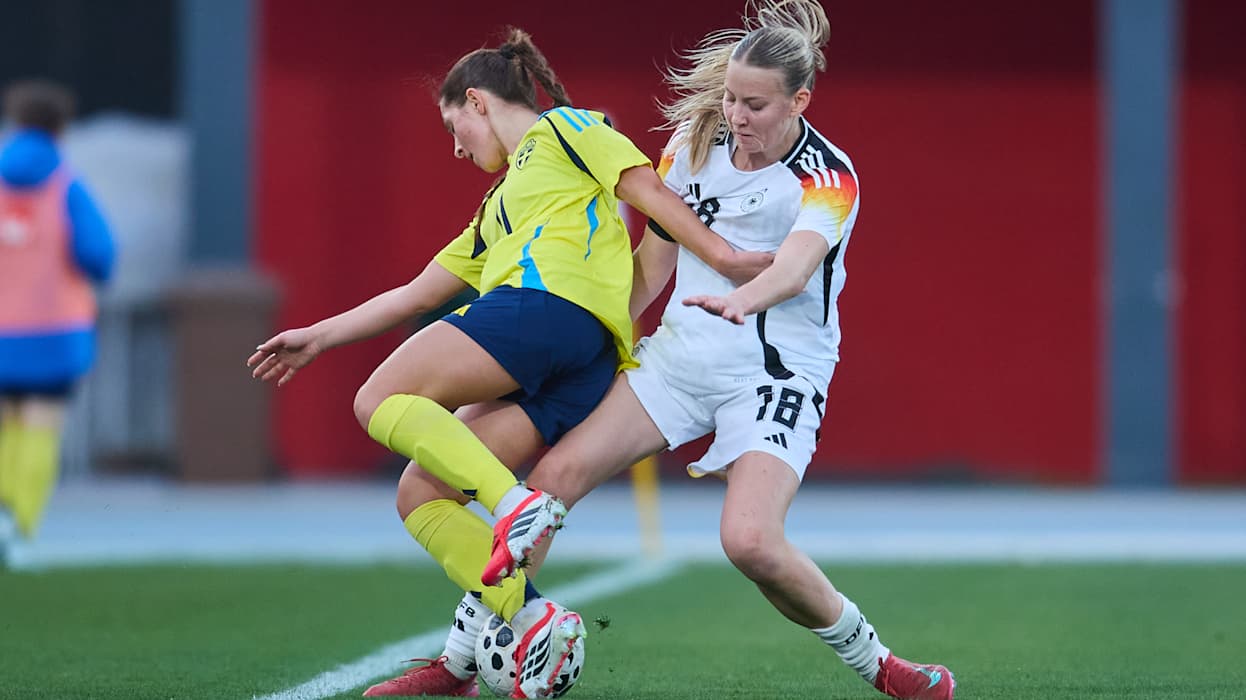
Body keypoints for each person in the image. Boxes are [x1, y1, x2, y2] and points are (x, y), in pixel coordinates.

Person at [378, 1, 957, 698]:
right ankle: (461, 662)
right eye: (731, 98)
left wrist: (745, 298)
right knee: (549, 484)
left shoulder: (829, 176)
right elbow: (651, 269)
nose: (736, 115)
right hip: (679, 361)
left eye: (755, 105)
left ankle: (883, 666)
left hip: (775, 373)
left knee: (750, 543)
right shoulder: (690, 145)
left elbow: (795, 268)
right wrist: (591, 346)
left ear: (799, 101)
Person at [247, 28, 771, 699]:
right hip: (583, 363)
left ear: (478, 100)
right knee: (420, 493)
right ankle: (522, 625)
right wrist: (318, 336)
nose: (456, 147)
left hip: (542, 311)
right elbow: (414, 294)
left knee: (375, 399)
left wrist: (725, 258)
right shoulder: (495, 211)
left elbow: (648, 191)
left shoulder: (565, 128)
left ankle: (514, 505)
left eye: (454, 126)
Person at [0, 79, 116, 562]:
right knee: (40, 423)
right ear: (61, 128)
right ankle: (19, 526)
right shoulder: (67, 185)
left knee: (7, 421)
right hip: (53, 328)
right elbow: (98, 253)